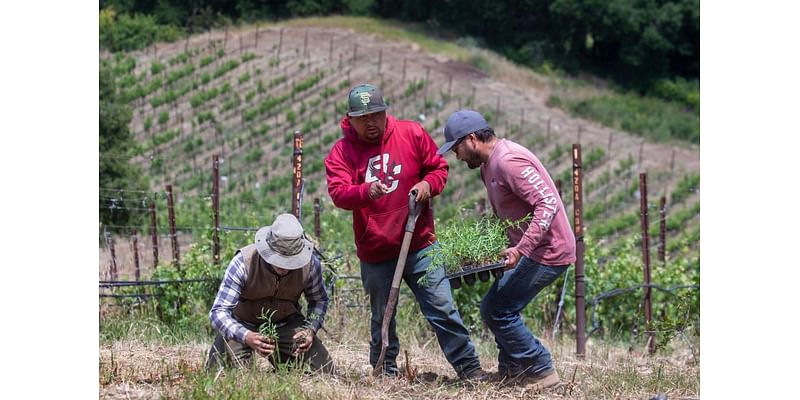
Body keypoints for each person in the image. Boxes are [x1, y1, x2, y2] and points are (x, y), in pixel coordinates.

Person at [324, 84, 486, 380]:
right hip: (376, 252)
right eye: (363, 118)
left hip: (420, 244)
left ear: (385, 112)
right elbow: (338, 192)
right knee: (381, 319)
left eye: (376, 114)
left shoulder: (411, 133)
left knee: (443, 309)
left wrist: (427, 186)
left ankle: (470, 369)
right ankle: (384, 371)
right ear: (350, 119)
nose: (371, 122)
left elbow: (438, 169)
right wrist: (365, 191)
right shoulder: (342, 151)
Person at [438, 109, 576, 389]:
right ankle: (512, 370)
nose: (457, 156)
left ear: (473, 139)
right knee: (497, 306)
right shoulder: (489, 165)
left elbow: (547, 204)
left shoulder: (508, 161)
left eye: (457, 148)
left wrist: (521, 249)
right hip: (531, 250)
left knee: (498, 309)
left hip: (548, 252)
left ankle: (541, 369)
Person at [206, 213, 334, 374]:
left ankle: (287, 365)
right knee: (219, 374)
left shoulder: (311, 265)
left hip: (287, 324)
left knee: (326, 372)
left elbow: (319, 301)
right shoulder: (243, 262)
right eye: (279, 260)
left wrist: (310, 329)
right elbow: (218, 312)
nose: (284, 267)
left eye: (291, 261)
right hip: (243, 324)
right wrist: (245, 336)